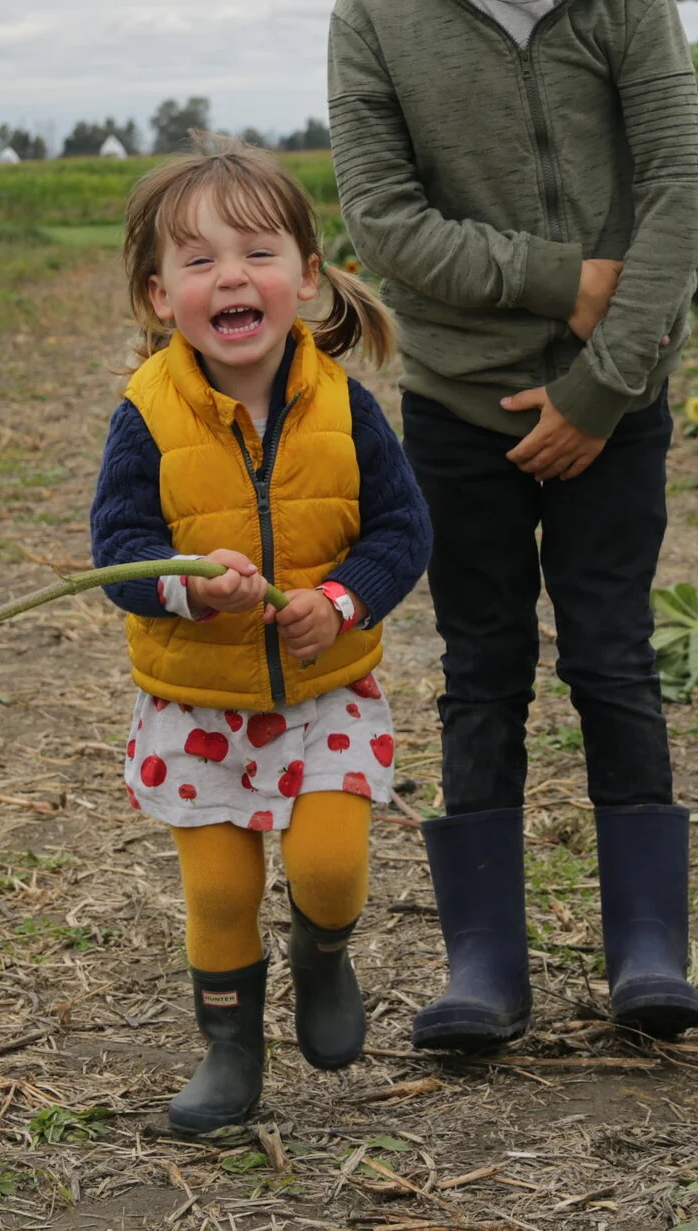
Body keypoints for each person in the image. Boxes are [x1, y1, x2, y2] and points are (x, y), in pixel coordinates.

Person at [327, 0, 698, 1050]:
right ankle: (484, 963)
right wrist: (563, 278)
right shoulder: (377, 13)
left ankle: (648, 948)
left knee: (611, 655)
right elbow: (385, 222)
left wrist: (602, 383)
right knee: (482, 665)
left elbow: (677, 193)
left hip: (619, 397)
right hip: (458, 405)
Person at [89, 142, 432, 1133]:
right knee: (221, 888)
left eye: (257, 252)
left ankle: (322, 956)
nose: (231, 276)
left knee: (326, 865)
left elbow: (402, 530)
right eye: (199, 261)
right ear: (160, 296)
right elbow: (118, 549)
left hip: (325, 690)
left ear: (307, 276)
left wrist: (345, 599)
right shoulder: (146, 415)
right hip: (198, 700)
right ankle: (231, 1046)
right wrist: (188, 587)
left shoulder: (344, 405)